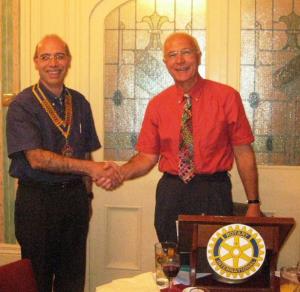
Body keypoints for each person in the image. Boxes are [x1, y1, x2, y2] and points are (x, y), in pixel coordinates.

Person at [101, 32, 262, 243]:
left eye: (186, 52)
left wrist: (253, 203)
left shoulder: (226, 97)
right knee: (173, 261)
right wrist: (120, 173)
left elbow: (243, 153)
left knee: (211, 261)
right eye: (173, 55)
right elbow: (146, 157)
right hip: (171, 192)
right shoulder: (158, 104)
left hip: (213, 190)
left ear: (198, 56)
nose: (180, 60)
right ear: (165, 62)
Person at [6, 34, 121, 292]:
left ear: (68, 60)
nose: (53, 63)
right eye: (45, 57)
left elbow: (86, 155)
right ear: (36, 62)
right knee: (37, 280)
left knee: (72, 278)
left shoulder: (79, 102)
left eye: (59, 56)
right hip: (37, 203)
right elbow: (36, 159)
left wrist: (88, 198)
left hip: (74, 200)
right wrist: (90, 169)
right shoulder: (22, 105)